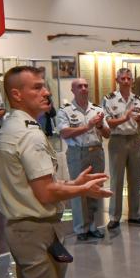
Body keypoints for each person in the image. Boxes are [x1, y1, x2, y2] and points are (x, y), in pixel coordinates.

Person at [0, 66, 111, 278]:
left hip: (21, 229)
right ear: (16, 94)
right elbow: (45, 192)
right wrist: (82, 190)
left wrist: (71, 183)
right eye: (36, 87)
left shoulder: (10, 128)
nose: (46, 92)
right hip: (34, 231)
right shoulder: (28, 135)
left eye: (44, 86)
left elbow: (35, 181)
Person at [55, 78, 111, 240]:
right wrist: (88, 126)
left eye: (86, 86)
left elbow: (107, 134)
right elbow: (64, 133)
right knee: (79, 190)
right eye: (79, 86)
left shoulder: (97, 109)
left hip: (96, 152)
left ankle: (94, 226)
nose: (84, 89)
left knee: (95, 188)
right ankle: (81, 229)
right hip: (77, 153)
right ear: (73, 90)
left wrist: (100, 125)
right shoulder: (65, 110)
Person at [103, 68, 140, 229]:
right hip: (118, 140)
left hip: (135, 139)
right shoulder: (110, 99)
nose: (126, 81)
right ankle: (114, 216)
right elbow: (108, 122)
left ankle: (135, 214)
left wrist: (139, 121)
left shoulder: (137, 99)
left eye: (129, 78)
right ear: (117, 81)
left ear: (132, 81)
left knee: (135, 178)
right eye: (122, 79)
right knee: (116, 179)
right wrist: (125, 117)